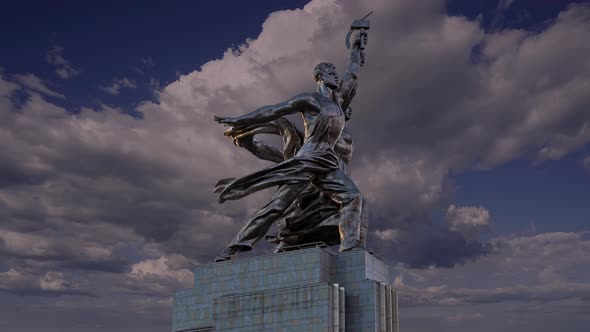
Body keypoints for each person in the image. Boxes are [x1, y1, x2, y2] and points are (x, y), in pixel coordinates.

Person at [213, 31, 368, 261]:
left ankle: (350, 246)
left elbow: (353, 74)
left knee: (353, 197)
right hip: (307, 160)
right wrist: (241, 120)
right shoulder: (310, 100)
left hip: (327, 163)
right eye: (331, 73)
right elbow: (273, 110)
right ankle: (232, 249)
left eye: (336, 73)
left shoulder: (338, 102)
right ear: (320, 76)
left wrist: (355, 48)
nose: (336, 77)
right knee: (276, 206)